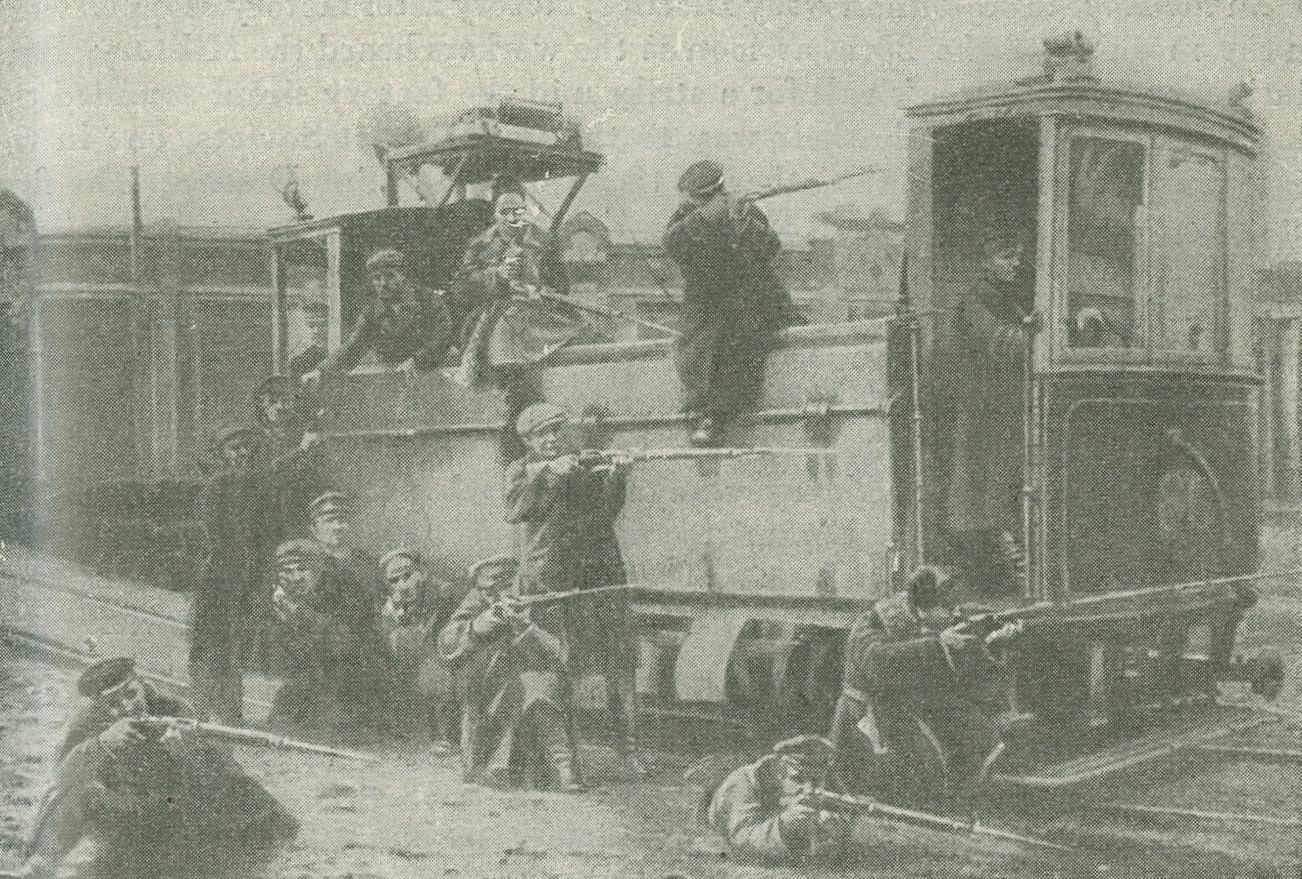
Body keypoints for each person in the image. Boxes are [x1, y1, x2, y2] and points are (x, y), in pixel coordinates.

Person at [22, 657, 298, 879]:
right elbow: (62, 777)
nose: (126, 707)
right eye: (113, 704)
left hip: (172, 806)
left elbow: (214, 775)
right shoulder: (91, 720)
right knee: (80, 796)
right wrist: (102, 743)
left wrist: (184, 751)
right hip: (122, 809)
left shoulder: (174, 708)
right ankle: (41, 867)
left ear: (142, 684)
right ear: (100, 705)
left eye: (131, 694)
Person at [504, 402, 643, 775]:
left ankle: (628, 753)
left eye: (555, 432)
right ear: (527, 440)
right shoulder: (520, 471)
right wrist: (549, 473)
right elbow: (517, 510)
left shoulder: (578, 464)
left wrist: (617, 476)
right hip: (549, 579)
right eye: (540, 435)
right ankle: (563, 763)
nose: (550, 440)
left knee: (618, 661)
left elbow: (603, 513)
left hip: (595, 575)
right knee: (551, 667)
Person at [827, 567, 1017, 810]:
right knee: (910, 771)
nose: (954, 614)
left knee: (974, 734)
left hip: (908, 702)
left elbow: (954, 668)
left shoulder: (926, 619)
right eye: (948, 609)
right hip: (868, 711)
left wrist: (992, 642)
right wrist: (938, 645)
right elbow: (880, 663)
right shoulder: (874, 623)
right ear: (922, 609)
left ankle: (963, 800)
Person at [663, 160, 797, 446]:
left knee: (744, 333)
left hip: (754, 301)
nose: (689, 203)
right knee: (704, 349)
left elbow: (770, 248)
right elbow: (675, 245)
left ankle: (717, 414)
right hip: (707, 306)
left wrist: (741, 222)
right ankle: (711, 414)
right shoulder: (685, 218)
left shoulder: (747, 211)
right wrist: (712, 216)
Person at [436, 554, 581, 792]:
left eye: (503, 587)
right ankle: (495, 766)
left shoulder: (539, 598)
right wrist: (477, 626)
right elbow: (447, 643)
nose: (495, 596)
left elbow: (559, 652)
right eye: (488, 591)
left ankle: (561, 767)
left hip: (533, 679)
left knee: (541, 688)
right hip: (489, 688)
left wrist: (525, 626)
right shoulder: (476, 601)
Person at [946, 228, 1035, 596]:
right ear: (986, 261)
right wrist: (1036, 333)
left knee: (1000, 488)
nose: (1014, 264)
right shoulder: (975, 300)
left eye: (1017, 257)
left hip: (1002, 409)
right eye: (1005, 257)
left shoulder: (1000, 298)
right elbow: (999, 341)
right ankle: (1007, 569)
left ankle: (1008, 566)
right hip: (984, 412)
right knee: (987, 491)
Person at [451, 190, 588, 391]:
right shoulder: (480, 245)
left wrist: (538, 290)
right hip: (495, 311)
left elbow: (561, 285)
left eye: (518, 211)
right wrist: (495, 275)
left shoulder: (543, 241)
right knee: (500, 346)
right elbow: (461, 287)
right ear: (495, 214)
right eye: (504, 211)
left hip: (539, 311)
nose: (511, 217)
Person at [190, 424, 274, 724]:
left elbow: (267, 534)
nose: (243, 453)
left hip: (250, 576)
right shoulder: (217, 488)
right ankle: (203, 709)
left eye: (247, 447)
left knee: (235, 643)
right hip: (219, 577)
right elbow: (213, 537)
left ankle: (230, 712)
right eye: (235, 448)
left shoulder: (263, 486)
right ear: (224, 454)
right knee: (210, 642)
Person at [707, 735, 850, 865]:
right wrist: (785, 823)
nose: (808, 787)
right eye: (798, 778)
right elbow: (742, 842)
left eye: (814, 780)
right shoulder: (744, 782)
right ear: (779, 767)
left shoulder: (820, 778)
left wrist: (833, 827)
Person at [311, 248, 453, 378]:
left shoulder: (428, 301)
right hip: (392, 380)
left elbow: (443, 336)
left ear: (403, 276)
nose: (383, 283)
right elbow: (354, 346)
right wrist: (321, 371)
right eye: (377, 278)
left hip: (430, 376)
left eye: (390, 276)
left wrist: (417, 361)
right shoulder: (372, 311)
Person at [377, 547, 462, 752]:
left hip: (451, 658)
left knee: (433, 674)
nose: (402, 585)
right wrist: (393, 617)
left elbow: (431, 638)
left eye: (407, 576)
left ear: (422, 572)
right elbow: (389, 643)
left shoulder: (444, 594)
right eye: (394, 581)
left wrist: (401, 626)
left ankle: (445, 736)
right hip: (422, 659)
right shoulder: (397, 603)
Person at [288, 300, 328, 382]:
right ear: (303, 328)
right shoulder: (297, 361)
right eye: (311, 326)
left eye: (322, 325)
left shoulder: (337, 353)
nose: (316, 331)